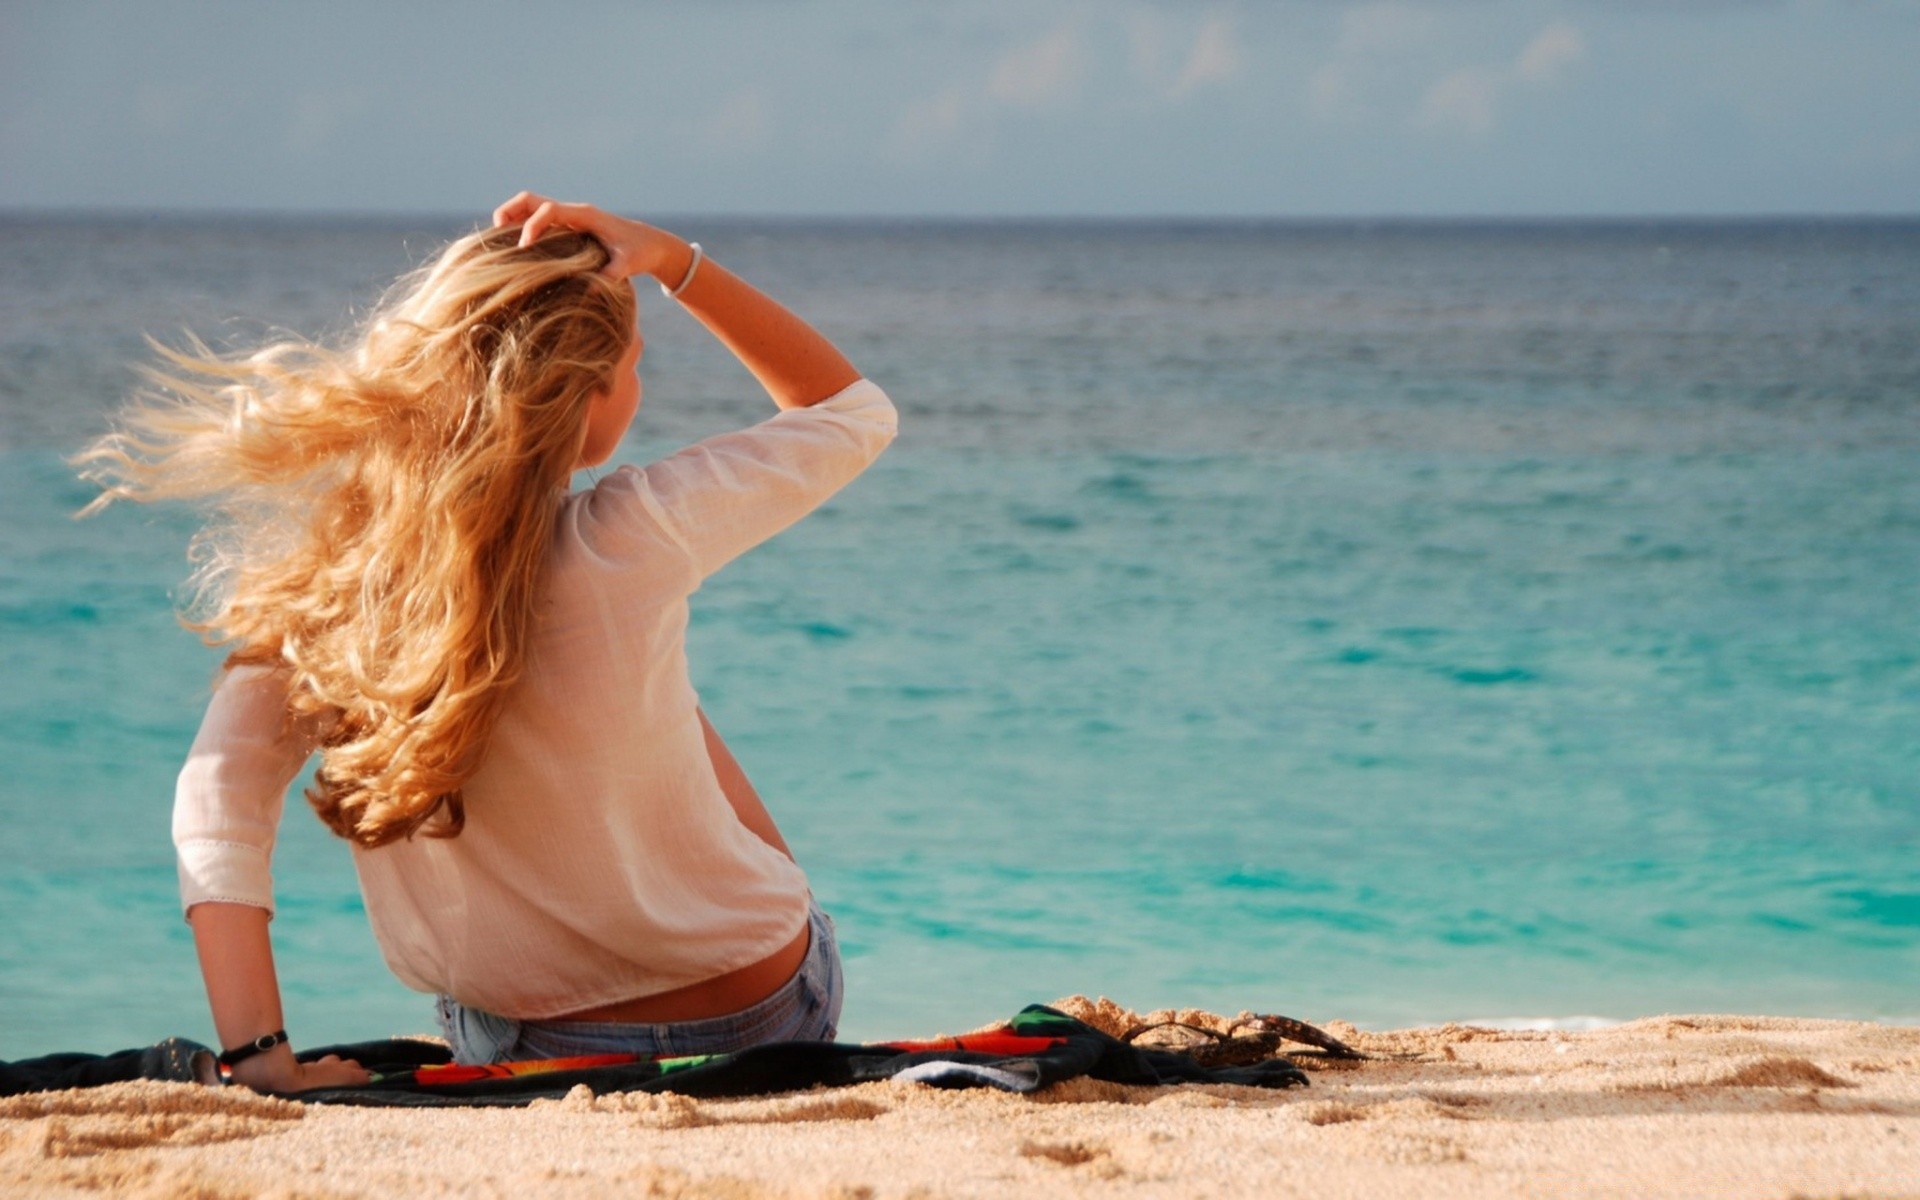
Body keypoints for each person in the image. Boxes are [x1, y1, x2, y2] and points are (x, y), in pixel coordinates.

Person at [76, 194, 898, 1093]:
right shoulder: (632, 535)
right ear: (587, 395)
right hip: (761, 1012)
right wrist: (672, 261)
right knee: (648, 682)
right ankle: (749, 906)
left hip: (530, 1052)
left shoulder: (337, 594)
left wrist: (262, 1061)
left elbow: (218, 797)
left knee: (631, 680)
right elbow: (850, 412)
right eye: (633, 366)